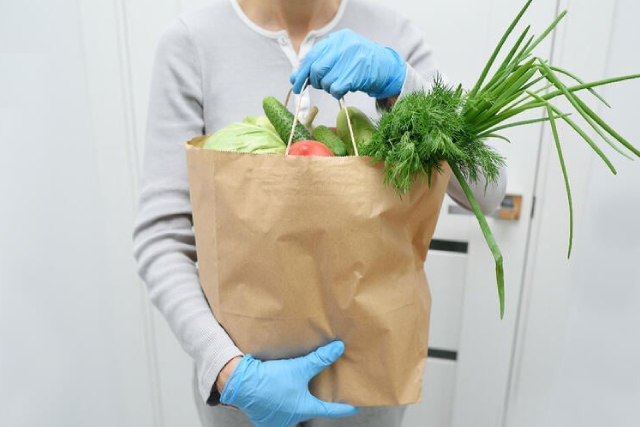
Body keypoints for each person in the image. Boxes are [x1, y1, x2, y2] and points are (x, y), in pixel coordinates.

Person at [132, 0, 507, 426]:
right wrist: (227, 370)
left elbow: (489, 190)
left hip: (366, 403)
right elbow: (160, 237)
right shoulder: (192, 43)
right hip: (245, 404)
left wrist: (402, 85)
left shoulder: (394, 35)